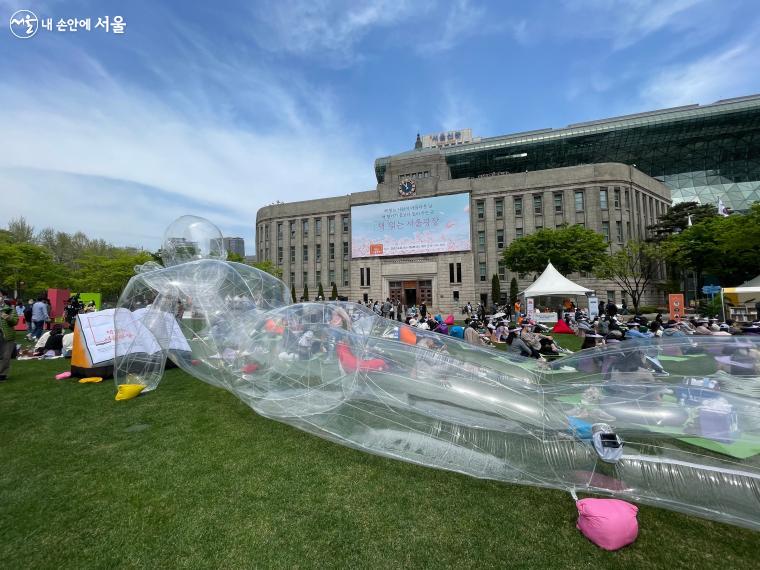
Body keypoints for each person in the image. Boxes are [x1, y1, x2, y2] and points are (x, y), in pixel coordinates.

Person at [0, 299, 19, 381]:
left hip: (7, 335)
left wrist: (7, 317)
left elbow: (15, 322)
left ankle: (2, 374)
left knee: (6, 356)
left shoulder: (10, 309)